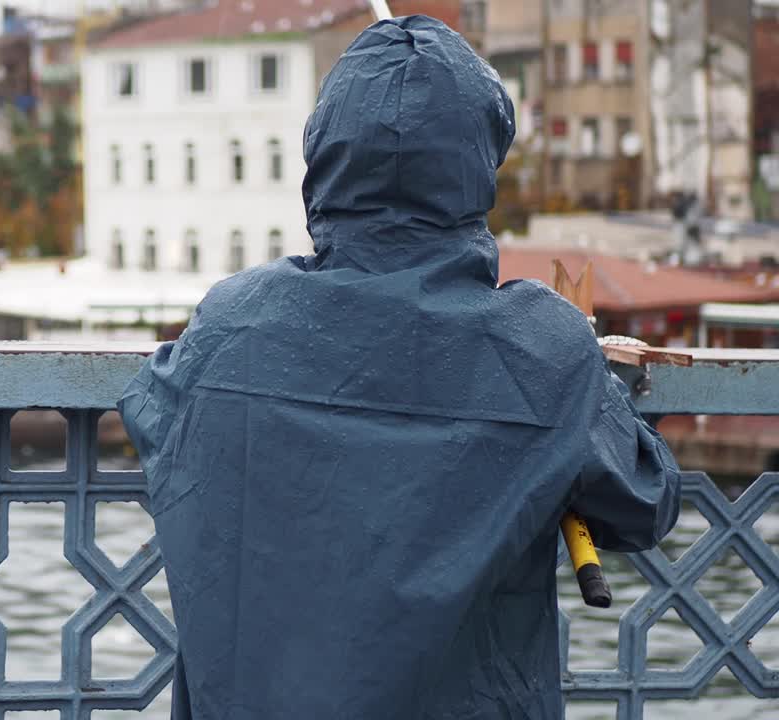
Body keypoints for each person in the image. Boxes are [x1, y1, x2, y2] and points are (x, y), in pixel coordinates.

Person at [117, 15, 680, 720]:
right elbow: (644, 502)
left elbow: (152, 409)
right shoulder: (543, 346)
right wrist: (587, 379)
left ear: (322, 159)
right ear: (477, 167)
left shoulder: (234, 323)